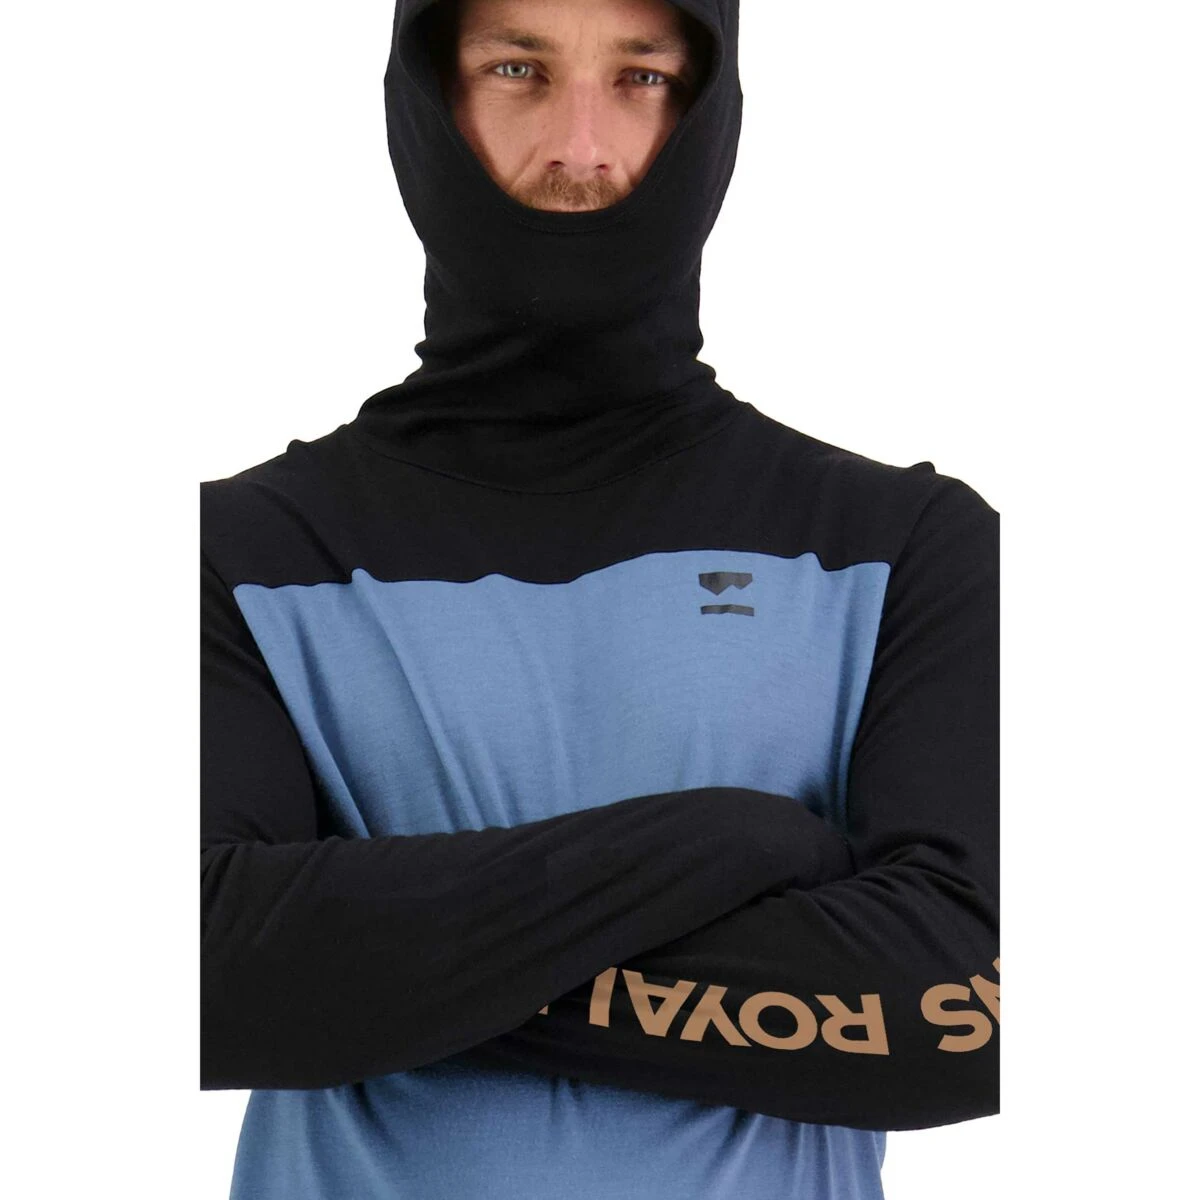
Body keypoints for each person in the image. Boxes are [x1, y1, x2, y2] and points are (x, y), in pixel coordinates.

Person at [200, 0, 1000, 1196]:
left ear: (709, 112)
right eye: (519, 69)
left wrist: (387, 971)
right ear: (426, 99)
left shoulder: (905, 548)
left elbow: (962, 1017)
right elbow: (199, 975)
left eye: (641, 78)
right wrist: (732, 843)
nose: (581, 148)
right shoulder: (234, 555)